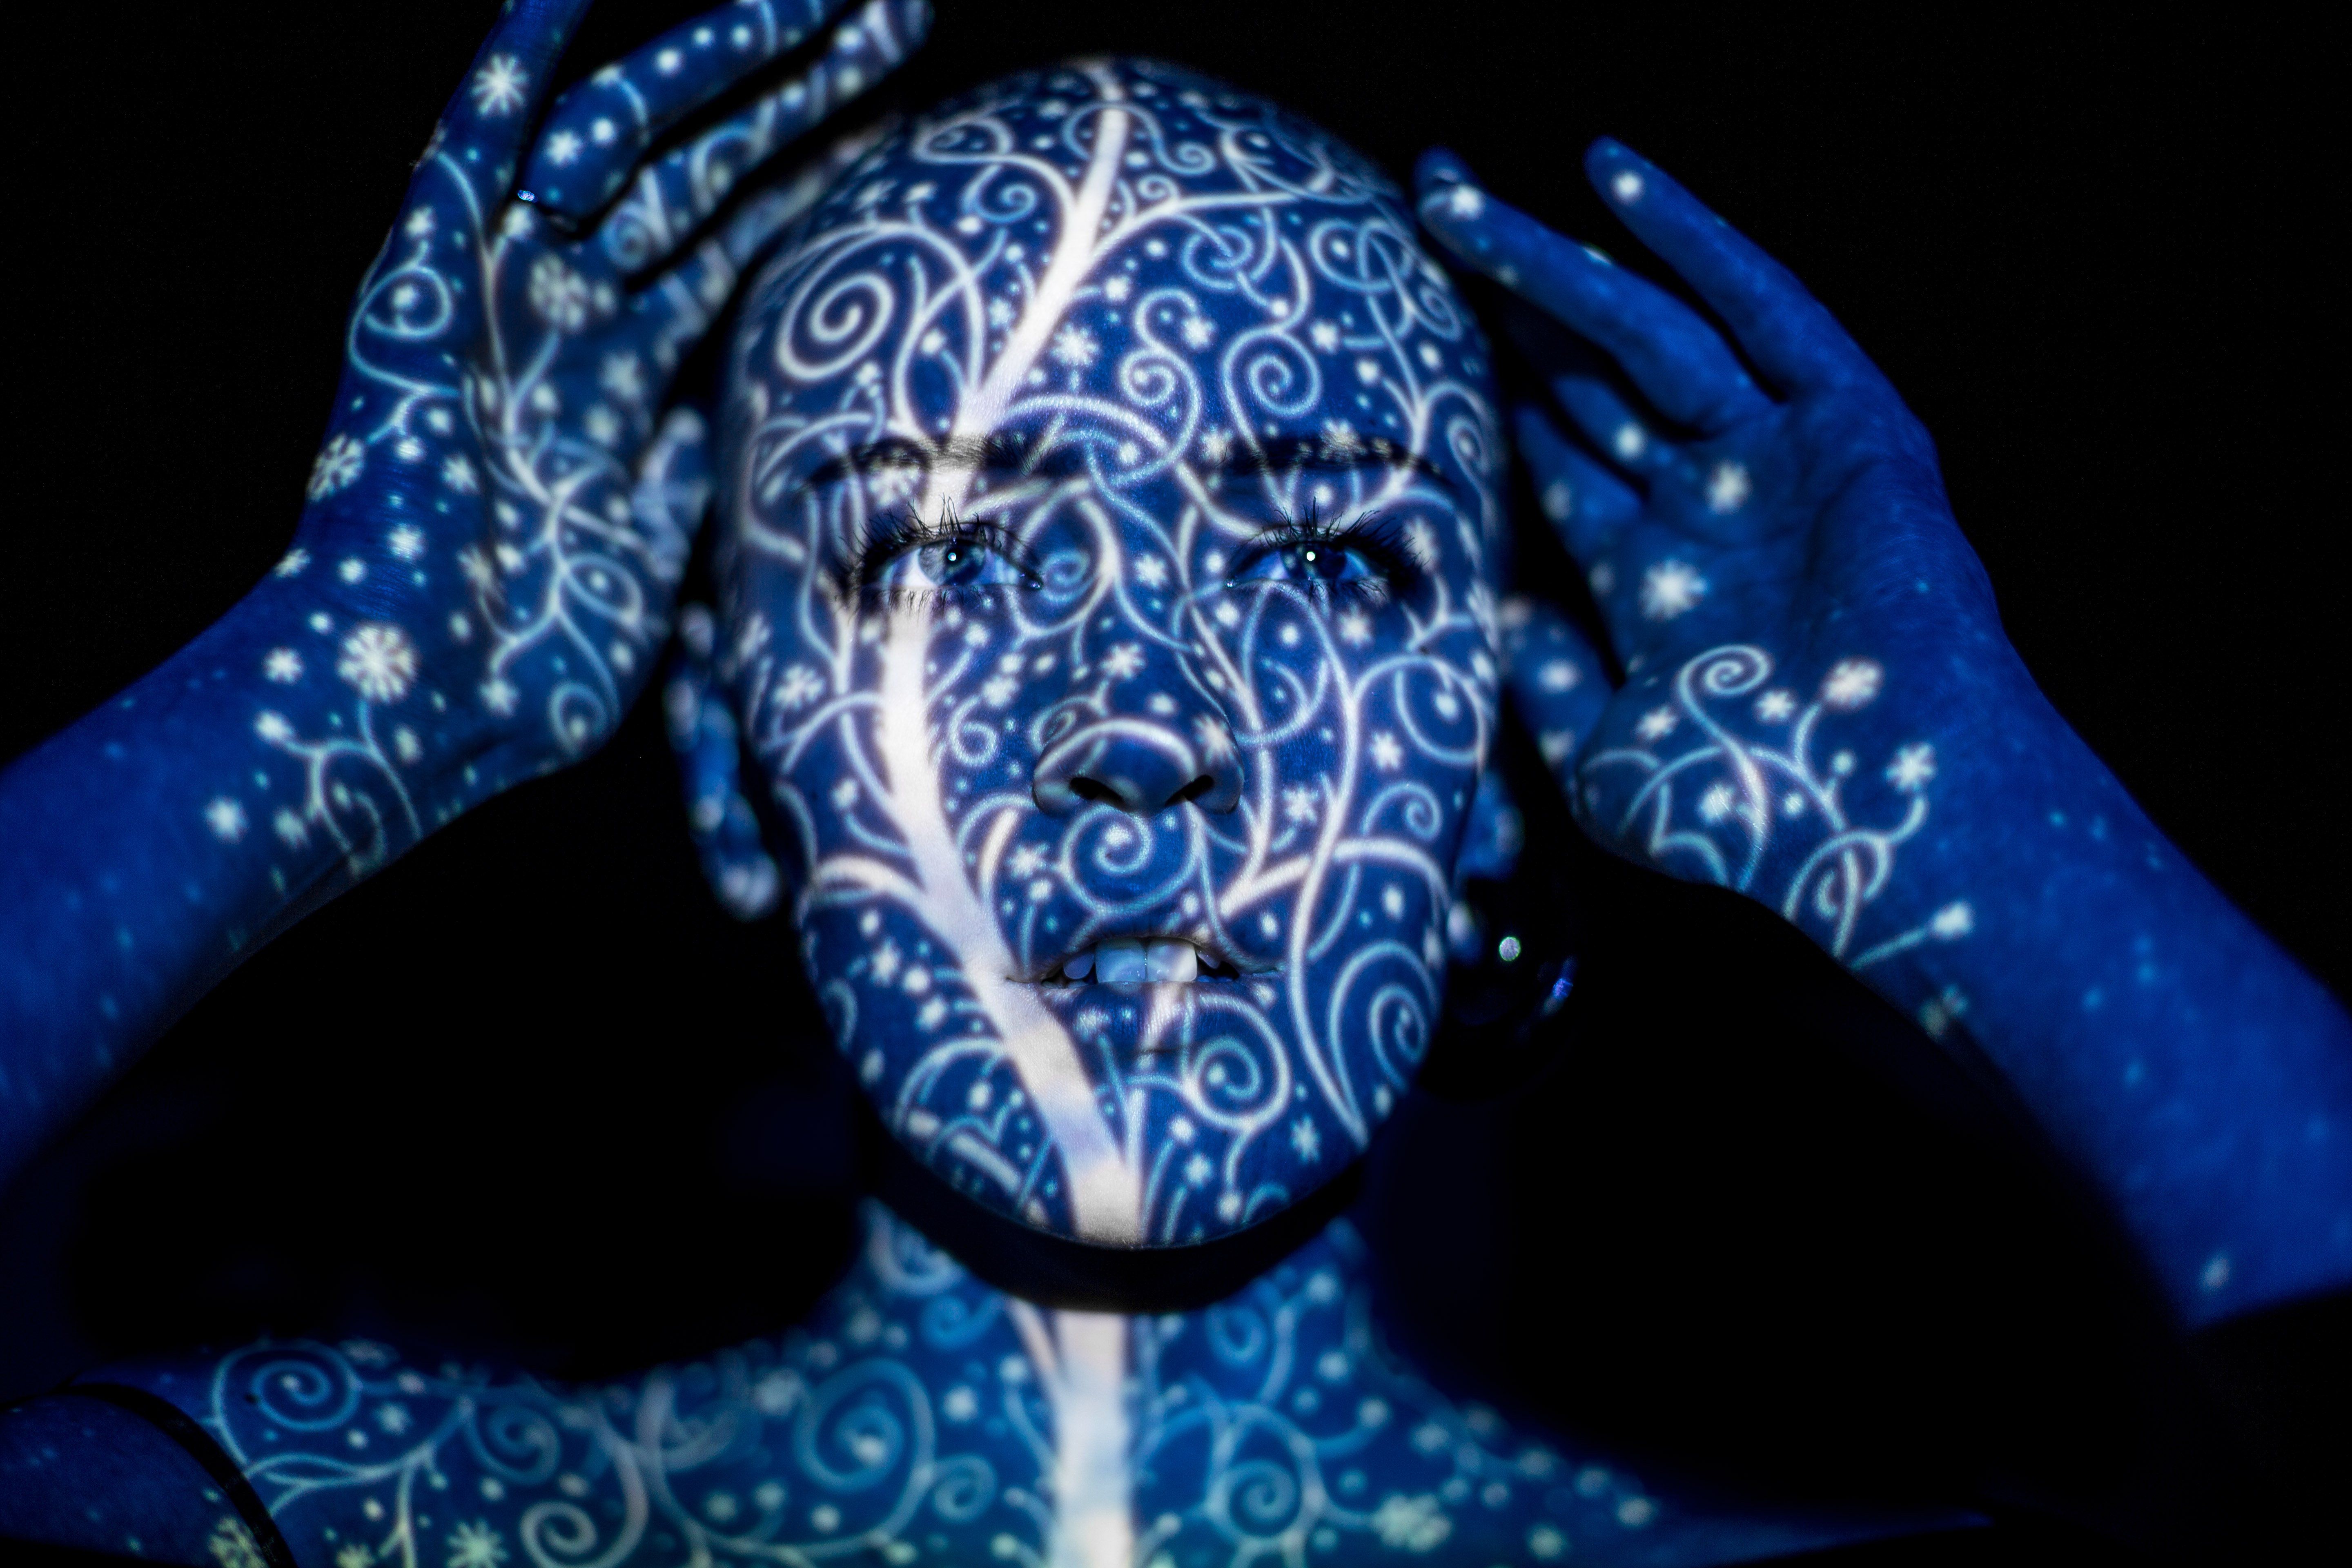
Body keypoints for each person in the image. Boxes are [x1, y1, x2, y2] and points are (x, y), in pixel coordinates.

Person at [2, 1, 2344, 1563]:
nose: (1138, 720)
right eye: (941, 555)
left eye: (1323, 557)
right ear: (736, 763)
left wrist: (1976, 827)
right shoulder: (305, 1521)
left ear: (1485, 790)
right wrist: (326, 695)